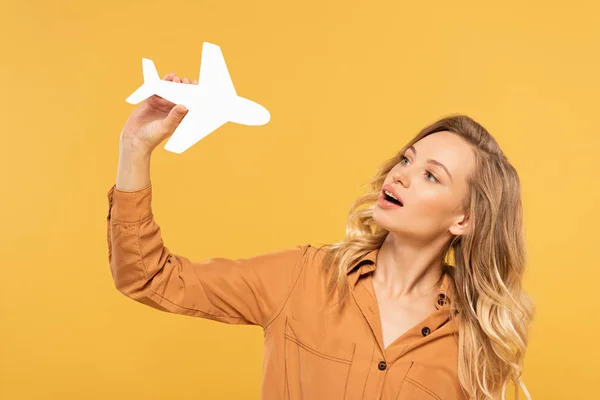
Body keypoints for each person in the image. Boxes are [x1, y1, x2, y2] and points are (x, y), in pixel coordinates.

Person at [107, 73, 535, 400]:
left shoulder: (476, 341)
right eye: (407, 159)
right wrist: (134, 148)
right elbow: (147, 276)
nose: (401, 174)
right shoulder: (303, 277)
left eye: (429, 175)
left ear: (463, 218)